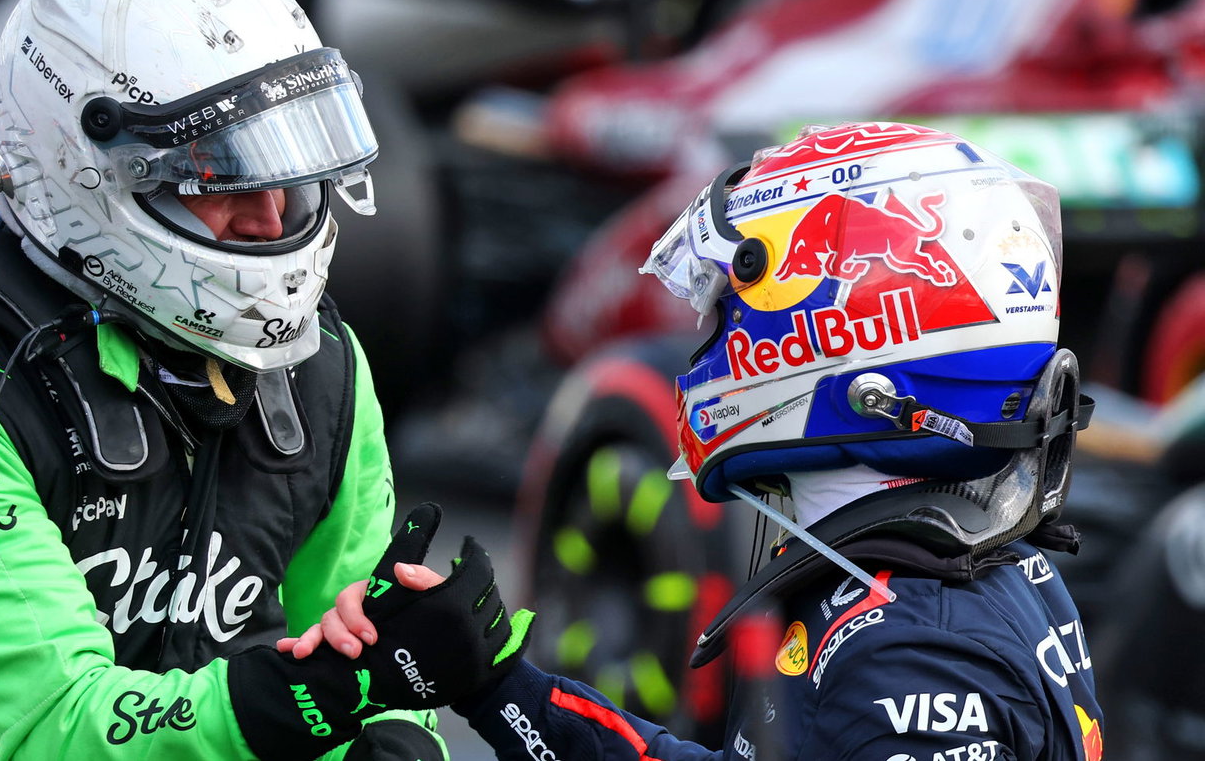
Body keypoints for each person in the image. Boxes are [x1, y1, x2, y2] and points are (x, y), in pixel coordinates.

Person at [0, 0, 518, 761]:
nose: (269, 215)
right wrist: (328, 693)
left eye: (288, 166)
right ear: (83, 167)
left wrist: (397, 715)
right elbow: (58, 728)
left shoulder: (324, 365)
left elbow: (359, 649)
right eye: (223, 172)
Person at [286, 122, 1106, 760]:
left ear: (846, 336)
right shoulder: (964, 567)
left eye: (725, 310)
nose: (705, 345)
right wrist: (495, 683)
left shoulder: (909, 660)